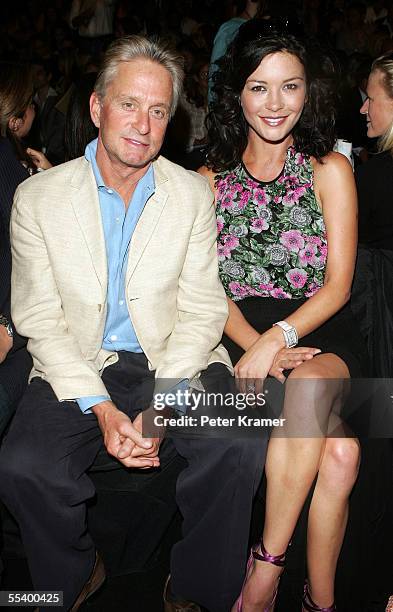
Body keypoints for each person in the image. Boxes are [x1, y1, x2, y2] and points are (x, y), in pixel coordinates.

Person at [0, 35, 267, 612]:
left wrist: (164, 404)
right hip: (78, 361)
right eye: (128, 104)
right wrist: (100, 406)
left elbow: (203, 310)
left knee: (243, 437)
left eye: (158, 110)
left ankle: (198, 587)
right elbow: (39, 319)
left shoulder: (193, 194)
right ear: (97, 107)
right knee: (24, 464)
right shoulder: (38, 198)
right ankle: (69, 578)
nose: (142, 124)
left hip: (176, 359)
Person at [199, 19, 367, 611]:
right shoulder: (208, 181)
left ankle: (265, 570)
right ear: (235, 94)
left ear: (308, 93)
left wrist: (279, 337)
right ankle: (320, 602)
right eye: (259, 87)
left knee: (304, 400)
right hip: (239, 334)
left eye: (290, 87)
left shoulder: (331, 170)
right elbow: (206, 290)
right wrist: (256, 346)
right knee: (340, 454)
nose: (276, 104)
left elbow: (339, 287)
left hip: (321, 331)